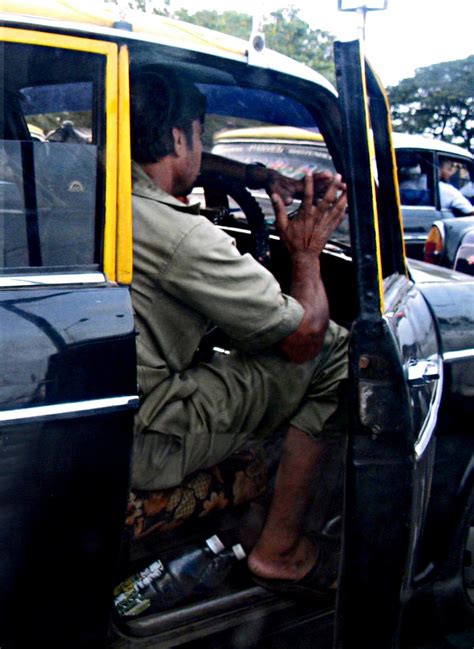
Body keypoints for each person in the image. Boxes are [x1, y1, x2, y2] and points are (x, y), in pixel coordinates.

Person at [130, 68, 349, 595]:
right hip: (152, 434)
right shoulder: (181, 236)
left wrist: (255, 176)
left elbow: (179, 169)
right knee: (336, 351)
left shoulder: (96, 188)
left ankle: (248, 519)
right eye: (199, 135)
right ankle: (279, 550)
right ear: (180, 136)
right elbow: (301, 338)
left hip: (112, 411)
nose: (201, 149)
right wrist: (305, 255)